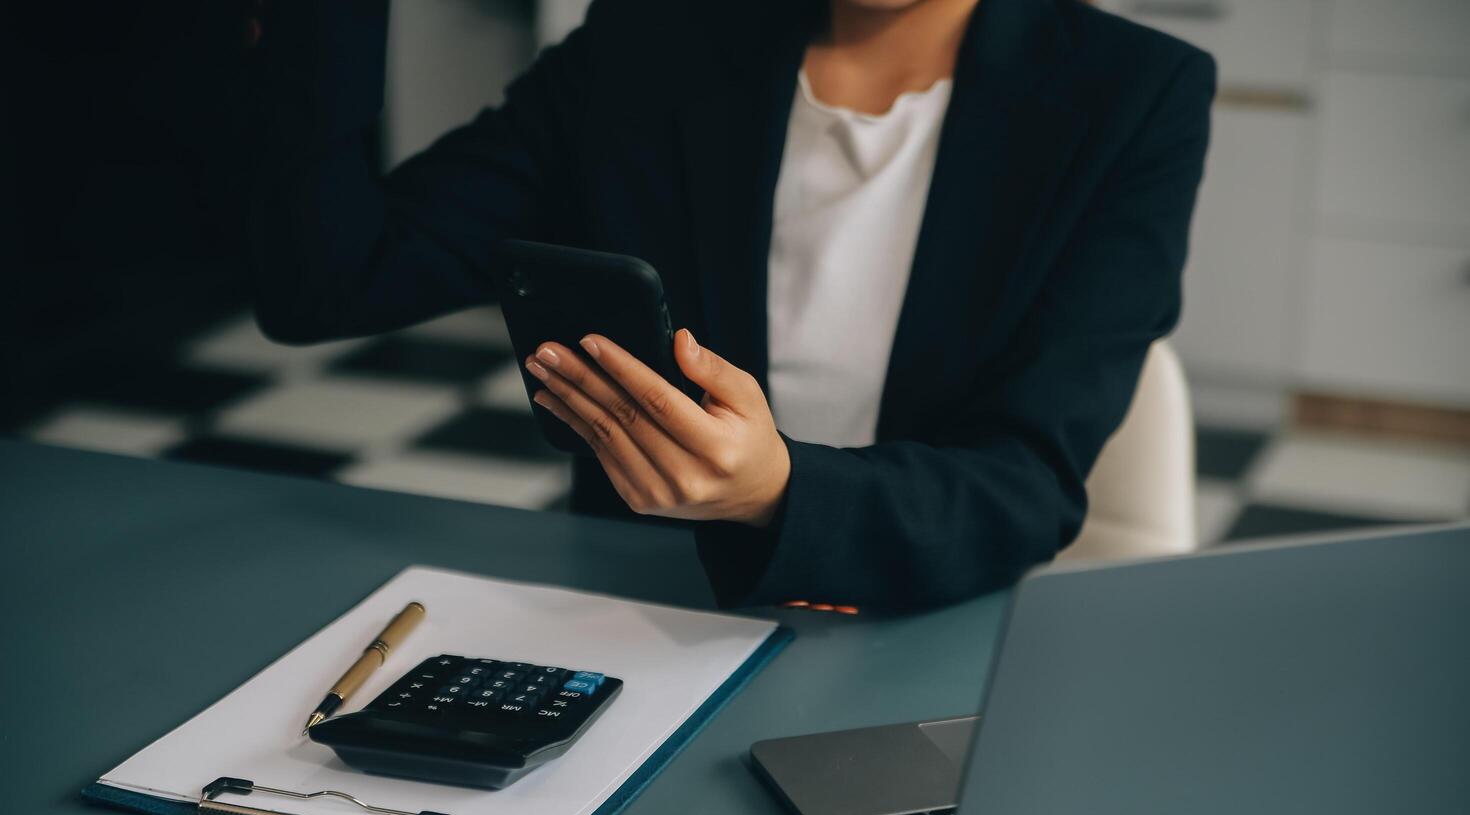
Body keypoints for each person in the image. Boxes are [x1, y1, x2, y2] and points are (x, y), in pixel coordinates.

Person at [251, 0, 1215, 611]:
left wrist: (778, 491)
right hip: (646, 609)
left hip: (928, 612)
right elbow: (331, 281)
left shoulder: (1134, 93)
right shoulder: (648, 43)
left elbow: (1026, 484)